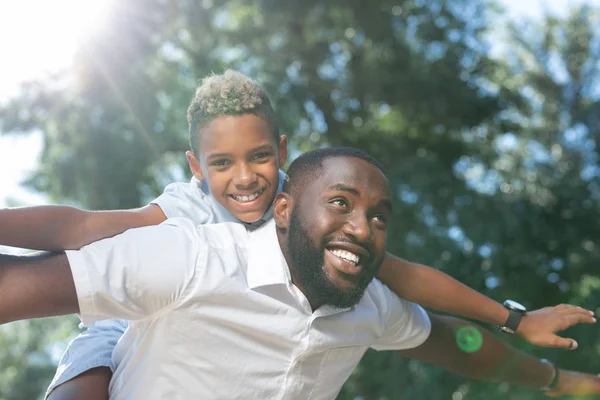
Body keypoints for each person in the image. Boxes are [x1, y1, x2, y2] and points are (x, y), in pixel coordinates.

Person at [0, 71, 594, 399]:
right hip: (125, 320)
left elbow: (417, 289)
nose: (244, 179)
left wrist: (515, 321)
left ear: (282, 160)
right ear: (195, 167)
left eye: (258, 157)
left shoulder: (326, 227)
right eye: (221, 165)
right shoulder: (184, 225)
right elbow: (80, 228)